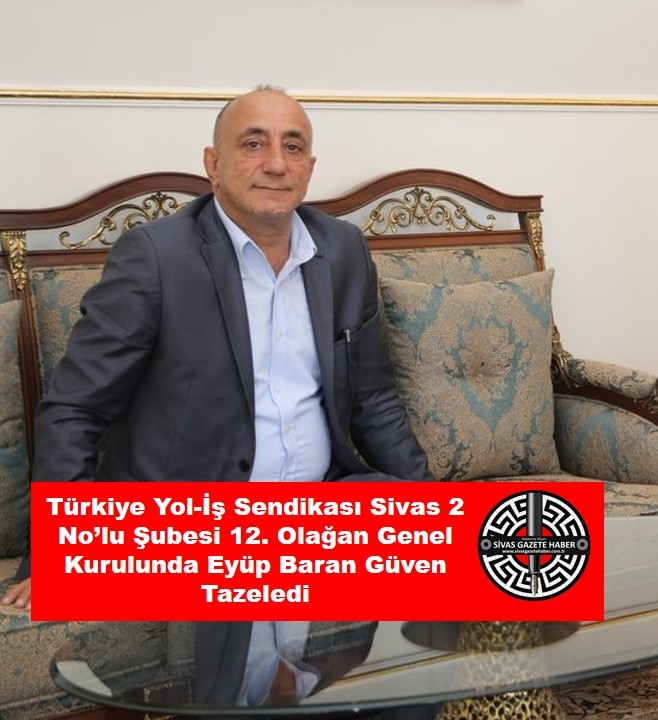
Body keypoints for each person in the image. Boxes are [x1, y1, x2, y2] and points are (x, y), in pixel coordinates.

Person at [2, 86, 434, 708]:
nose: (275, 163)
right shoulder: (157, 256)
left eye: (293, 147)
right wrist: (59, 551)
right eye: (253, 144)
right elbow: (76, 409)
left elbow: (375, 399)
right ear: (213, 164)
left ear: (310, 166)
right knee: (224, 690)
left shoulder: (342, 250)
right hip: (194, 521)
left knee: (462, 591)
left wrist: (429, 508)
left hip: (318, 508)